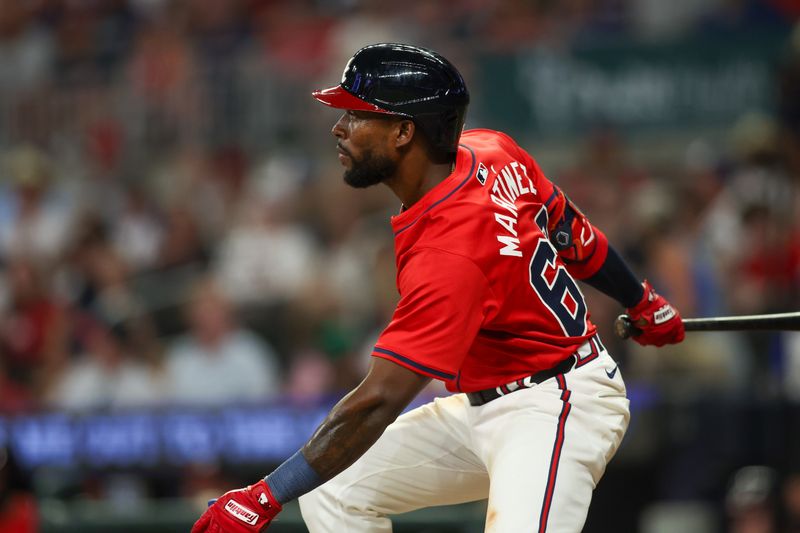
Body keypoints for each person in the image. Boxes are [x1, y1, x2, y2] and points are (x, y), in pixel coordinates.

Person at [192, 43, 685, 533]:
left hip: (554, 405)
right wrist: (643, 301)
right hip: (480, 406)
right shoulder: (492, 149)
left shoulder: (450, 257)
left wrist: (264, 495)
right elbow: (569, 231)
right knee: (332, 491)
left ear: (405, 131)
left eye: (357, 114)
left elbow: (379, 400)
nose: (339, 128)